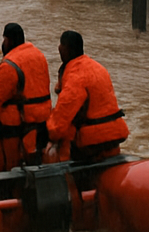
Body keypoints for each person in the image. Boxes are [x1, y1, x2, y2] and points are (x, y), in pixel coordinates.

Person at [0, 23, 52, 168]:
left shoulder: (8, 65)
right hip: (42, 119)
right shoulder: (39, 56)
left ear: (8, 41)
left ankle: (12, 174)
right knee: (36, 155)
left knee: (11, 162)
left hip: (16, 123)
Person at [46, 30, 128, 162]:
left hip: (93, 142)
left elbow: (61, 119)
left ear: (63, 49)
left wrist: (48, 135)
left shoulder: (75, 76)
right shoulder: (98, 68)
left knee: (61, 143)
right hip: (113, 136)